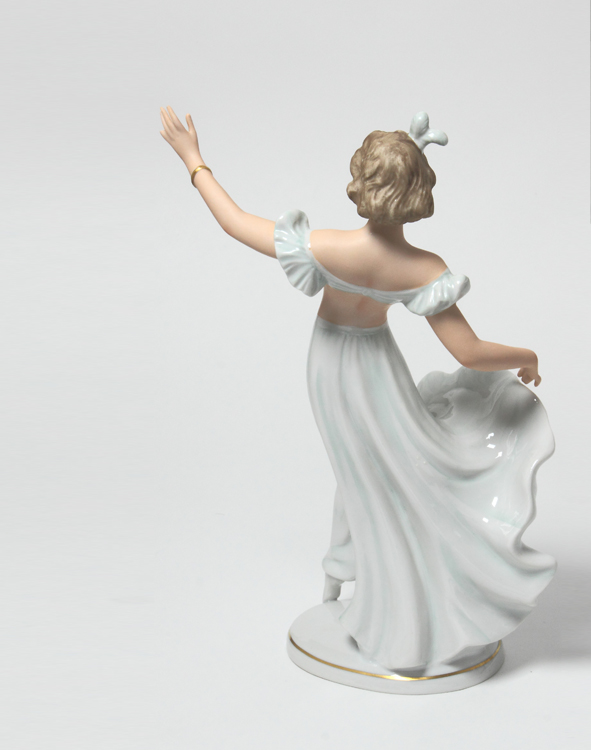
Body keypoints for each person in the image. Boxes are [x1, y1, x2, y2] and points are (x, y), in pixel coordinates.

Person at [160, 107, 556, 672]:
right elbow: (469, 352)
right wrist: (526, 355)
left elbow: (234, 221)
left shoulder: (327, 246)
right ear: (419, 190)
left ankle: (352, 578)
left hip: (329, 368)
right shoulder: (423, 268)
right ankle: (382, 583)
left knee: (359, 473)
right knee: (394, 471)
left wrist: (193, 159)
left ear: (361, 184)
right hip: (376, 366)